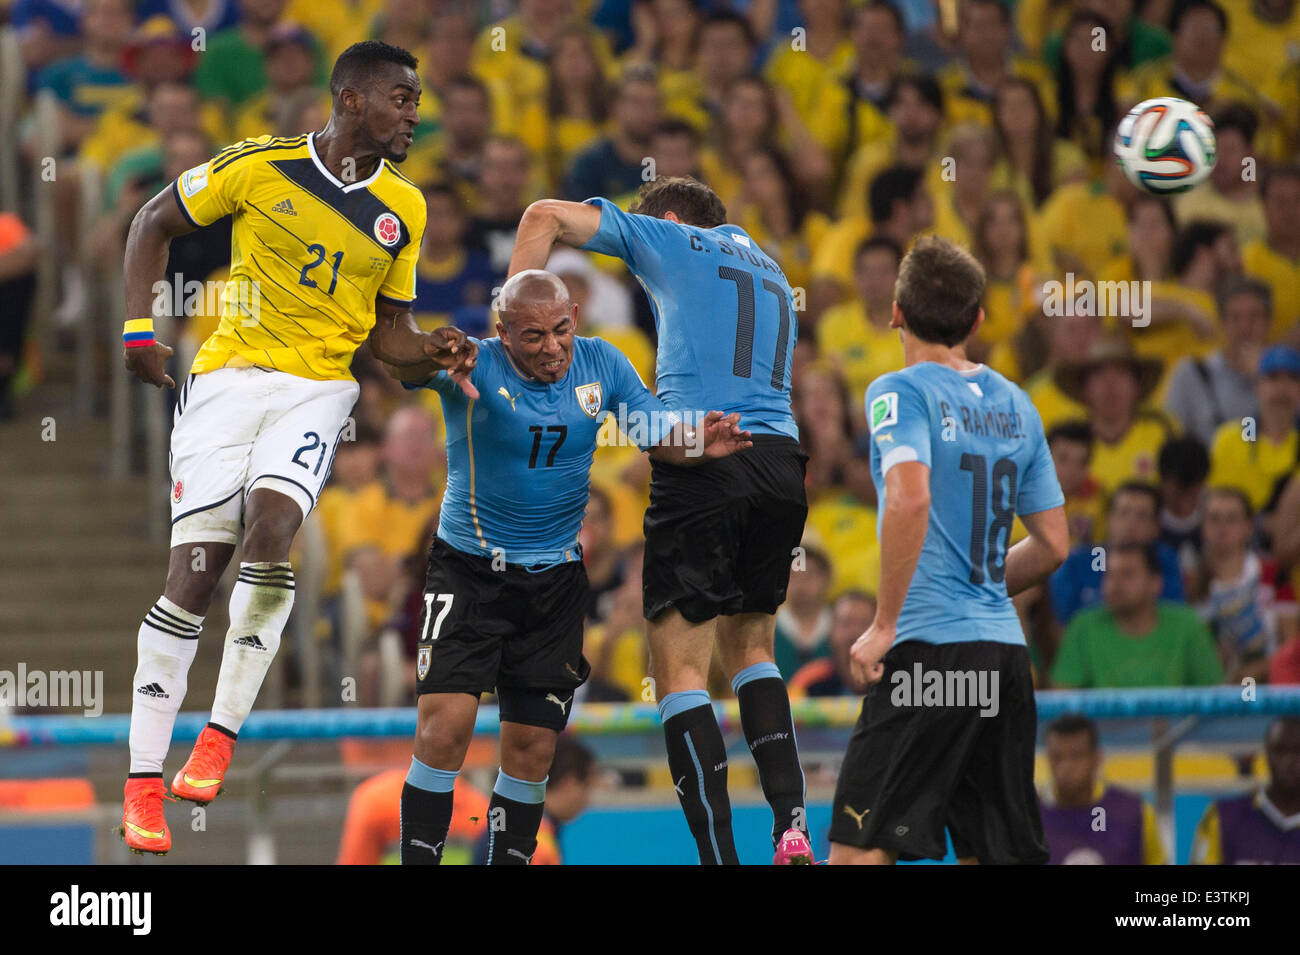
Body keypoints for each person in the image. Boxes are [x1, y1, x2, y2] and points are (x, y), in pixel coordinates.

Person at [117, 40, 478, 856]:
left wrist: (435, 354)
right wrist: (140, 325)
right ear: (351, 99)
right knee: (194, 576)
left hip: (319, 390)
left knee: (274, 525)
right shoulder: (259, 166)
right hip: (225, 380)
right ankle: (143, 782)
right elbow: (152, 222)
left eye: (418, 100)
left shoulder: (405, 209)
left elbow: (390, 338)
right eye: (401, 97)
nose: (414, 113)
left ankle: (218, 736)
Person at [507, 176, 815, 865]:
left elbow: (543, 216)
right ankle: (791, 826)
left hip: (704, 449)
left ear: (673, 221)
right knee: (754, 651)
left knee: (679, 669)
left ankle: (718, 857)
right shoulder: (768, 264)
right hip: (780, 463)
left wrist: (512, 329)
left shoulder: (673, 238)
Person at [397, 269, 752, 866]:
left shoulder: (603, 364)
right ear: (503, 333)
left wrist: (696, 441)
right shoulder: (472, 364)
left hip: (557, 581)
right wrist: (421, 344)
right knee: (443, 732)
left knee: (534, 748)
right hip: (468, 573)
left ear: (576, 317)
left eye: (560, 329)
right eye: (532, 336)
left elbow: (652, 430)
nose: (551, 346)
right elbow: (398, 363)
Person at [827, 236, 1071, 865]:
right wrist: (983, 587)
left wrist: (883, 625)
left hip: (926, 655)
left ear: (896, 312)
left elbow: (910, 499)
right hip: (1002, 658)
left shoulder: (899, 393)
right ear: (978, 319)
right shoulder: (1018, 404)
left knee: (859, 852)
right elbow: (1052, 546)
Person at [1050, 543, 1225, 688]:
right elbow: (1063, 699)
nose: (1114, 585)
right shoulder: (1082, 626)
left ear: (1155, 583)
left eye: (1127, 575)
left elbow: (1214, 697)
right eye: (1109, 574)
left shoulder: (1188, 625)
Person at [1049, 481, 1186, 625]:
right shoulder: (1077, 561)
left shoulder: (1165, 561)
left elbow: (1173, 618)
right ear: (1109, 519)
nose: (1130, 524)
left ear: (1156, 527)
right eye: (1123, 513)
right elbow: (1061, 623)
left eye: (1141, 516)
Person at [1039, 714, 1166, 864]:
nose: (1065, 767)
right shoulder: (1030, 819)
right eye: (1057, 757)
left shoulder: (1135, 814)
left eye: (1076, 756)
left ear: (1096, 759)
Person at [1192, 716, 1300, 864]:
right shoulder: (1223, 819)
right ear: (1266, 754)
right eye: (1280, 751)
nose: (1289, 761)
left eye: (1298, 751)